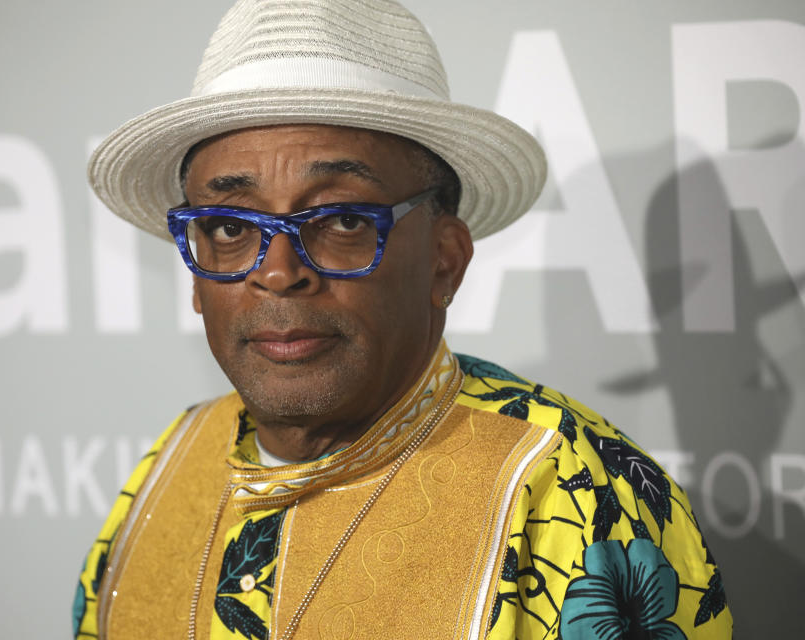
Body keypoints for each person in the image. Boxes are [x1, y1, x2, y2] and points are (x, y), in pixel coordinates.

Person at [73, 1, 732, 638]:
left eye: (343, 220)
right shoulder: (170, 462)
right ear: (195, 275)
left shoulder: (574, 488)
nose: (277, 271)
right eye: (228, 226)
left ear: (444, 261)